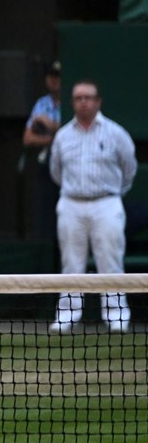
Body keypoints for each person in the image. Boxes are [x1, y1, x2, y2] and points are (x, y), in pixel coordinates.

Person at [48, 79, 137, 333]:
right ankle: (67, 315)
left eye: (88, 97)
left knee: (110, 261)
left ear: (98, 101)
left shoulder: (116, 133)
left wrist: (111, 195)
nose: (83, 102)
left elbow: (129, 169)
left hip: (106, 204)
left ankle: (117, 316)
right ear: (73, 102)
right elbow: (56, 172)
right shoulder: (63, 136)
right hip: (71, 205)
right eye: (78, 98)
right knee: (71, 263)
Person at [22, 59, 62, 242]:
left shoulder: (74, 100)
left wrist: (49, 124)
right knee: (44, 215)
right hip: (46, 164)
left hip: (68, 168)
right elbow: (28, 138)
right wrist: (53, 137)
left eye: (58, 76)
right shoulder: (42, 103)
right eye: (51, 76)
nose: (54, 80)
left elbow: (74, 132)